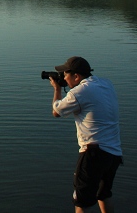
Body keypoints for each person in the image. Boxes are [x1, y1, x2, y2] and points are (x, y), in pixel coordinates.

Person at [49, 56, 122, 213]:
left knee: (82, 202)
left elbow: (56, 112)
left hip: (93, 153)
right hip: (114, 153)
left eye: (65, 75)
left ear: (76, 76)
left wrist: (57, 89)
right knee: (103, 194)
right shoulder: (106, 84)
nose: (63, 78)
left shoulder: (79, 92)